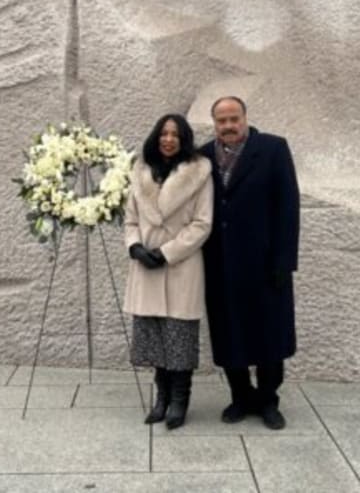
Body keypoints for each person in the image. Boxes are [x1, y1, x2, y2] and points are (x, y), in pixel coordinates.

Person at [199, 96, 300, 430]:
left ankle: (268, 400)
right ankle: (240, 396)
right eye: (221, 120)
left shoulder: (272, 149)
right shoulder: (202, 157)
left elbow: (288, 207)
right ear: (214, 123)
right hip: (220, 264)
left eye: (234, 119)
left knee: (269, 336)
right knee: (230, 335)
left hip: (265, 264)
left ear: (245, 118)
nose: (228, 126)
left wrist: (284, 261)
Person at [123, 113, 214, 429]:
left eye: (176, 134)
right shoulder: (140, 171)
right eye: (164, 133)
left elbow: (203, 224)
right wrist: (135, 246)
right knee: (155, 339)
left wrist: (167, 253)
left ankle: (179, 401)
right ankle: (160, 398)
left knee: (179, 339)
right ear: (155, 136)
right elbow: (131, 220)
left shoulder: (199, 173)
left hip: (180, 266)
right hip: (145, 267)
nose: (169, 139)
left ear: (184, 138)